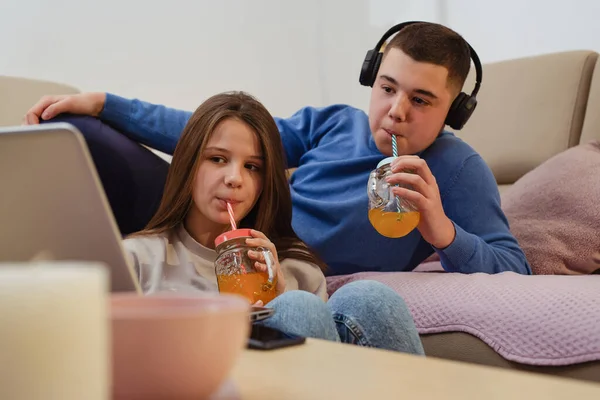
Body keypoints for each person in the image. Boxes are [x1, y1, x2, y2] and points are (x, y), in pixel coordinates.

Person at [24, 21, 532, 276]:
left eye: (421, 100)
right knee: (80, 131)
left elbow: (515, 269)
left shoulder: (458, 169)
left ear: (455, 112)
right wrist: (104, 103)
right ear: (370, 80)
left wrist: (441, 230)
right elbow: (214, 135)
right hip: (217, 229)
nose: (397, 110)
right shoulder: (333, 123)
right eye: (387, 87)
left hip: (275, 271)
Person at [119, 90, 425, 354]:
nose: (235, 179)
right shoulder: (136, 258)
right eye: (217, 159)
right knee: (298, 306)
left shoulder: (298, 271)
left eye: (252, 167)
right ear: (188, 164)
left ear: (265, 182)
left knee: (368, 297)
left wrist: (279, 297)